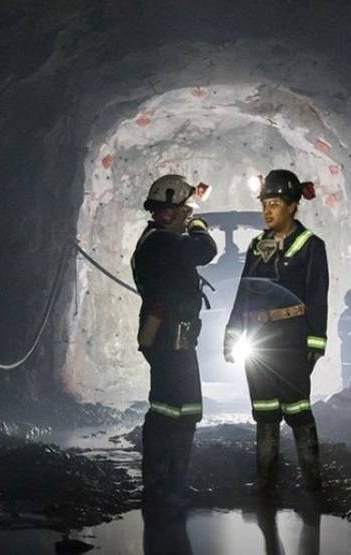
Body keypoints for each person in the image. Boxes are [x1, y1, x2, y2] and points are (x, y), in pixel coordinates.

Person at [224, 169, 329, 494]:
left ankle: (313, 484)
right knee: (265, 413)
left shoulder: (310, 246)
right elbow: (244, 291)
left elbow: (317, 295)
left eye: (275, 203)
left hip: (291, 339)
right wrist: (232, 334)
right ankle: (266, 485)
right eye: (265, 204)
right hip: (259, 337)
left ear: (293, 206)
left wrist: (315, 342)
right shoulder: (258, 245)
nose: (268, 210)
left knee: (298, 410)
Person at [131, 174, 217, 506]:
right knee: (167, 410)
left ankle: (173, 484)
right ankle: (158, 486)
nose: (186, 216)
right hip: (167, 337)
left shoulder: (160, 240)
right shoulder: (161, 242)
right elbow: (204, 250)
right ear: (169, 212)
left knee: (185, 410)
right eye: (182, 211)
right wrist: (199, 223)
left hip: (175, 337)